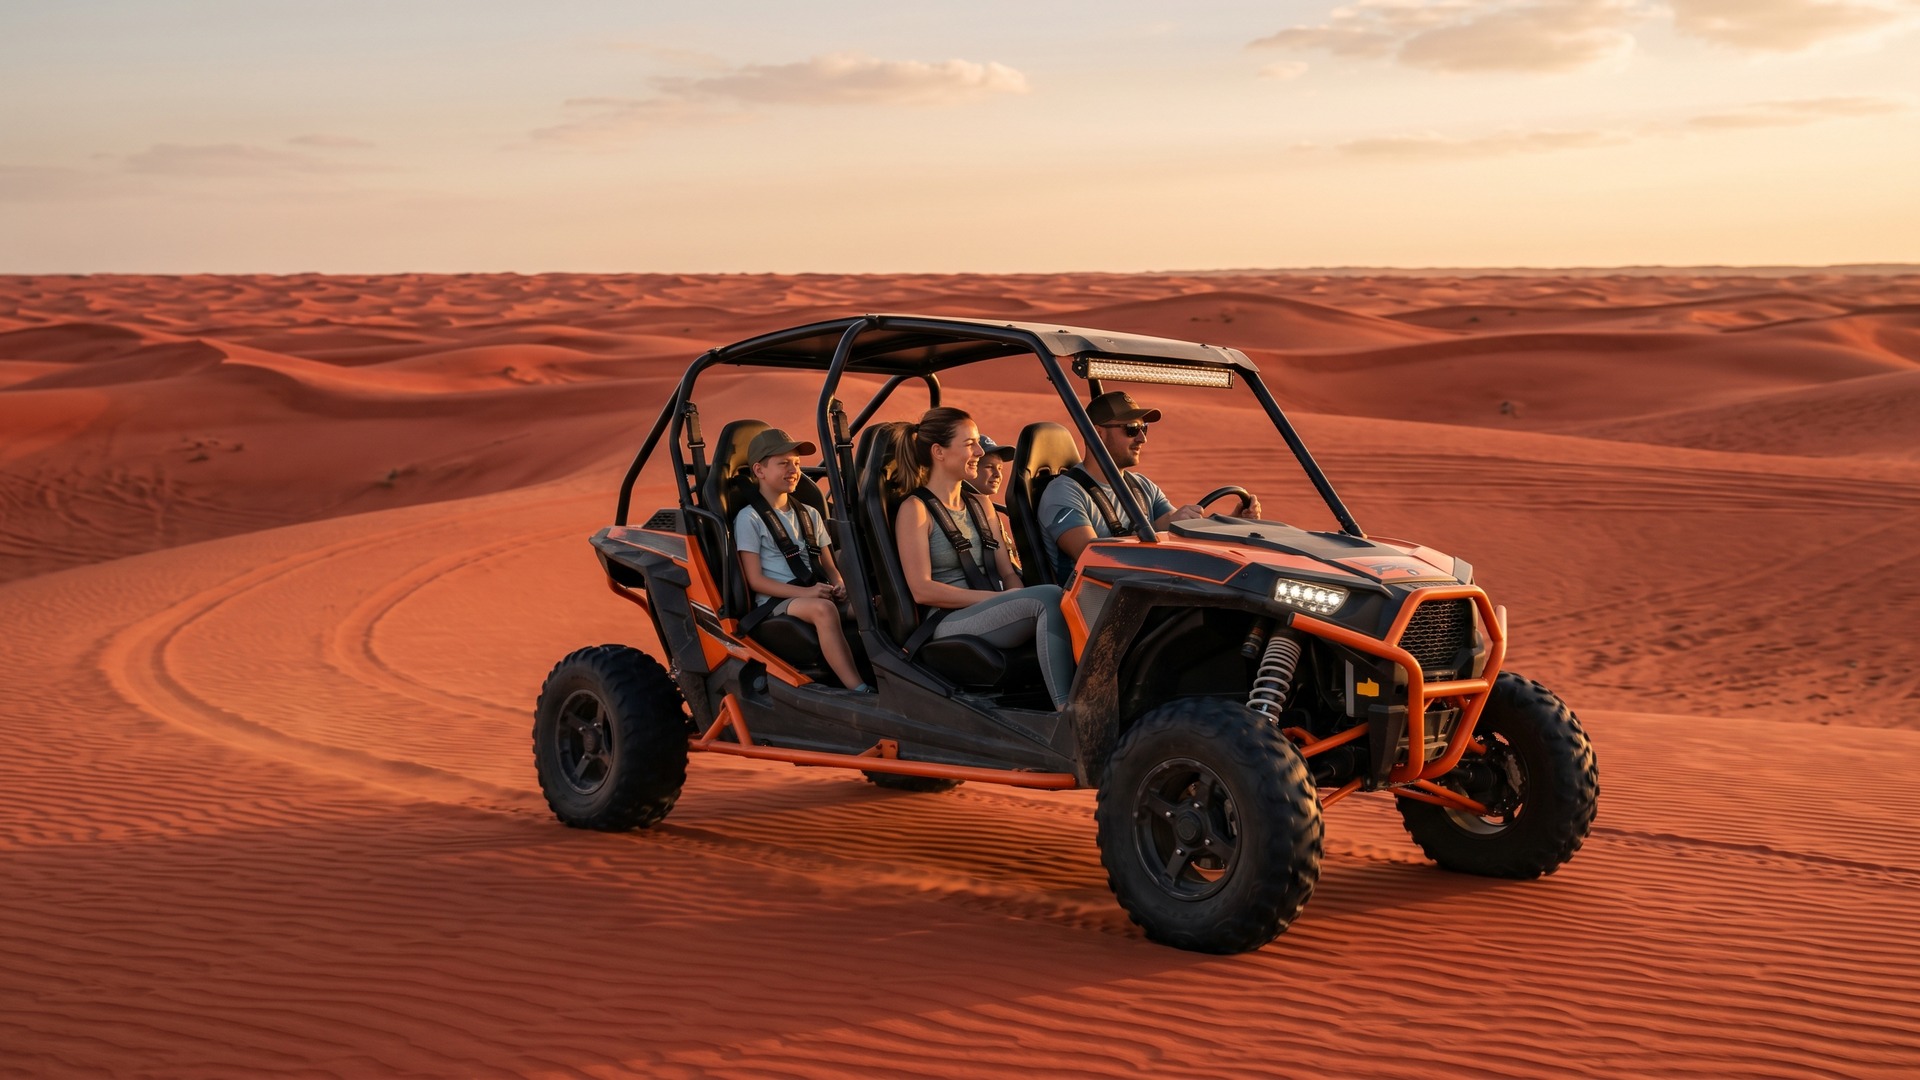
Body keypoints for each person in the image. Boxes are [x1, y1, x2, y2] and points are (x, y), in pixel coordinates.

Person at [889, 408, 1074, 710]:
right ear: (939, 451)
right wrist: (993, 598)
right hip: (947, 620)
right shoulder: (916, 510)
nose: (978, 451)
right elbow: (922, 589)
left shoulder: (981, 504)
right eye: (969, 444)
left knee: (1071, 597)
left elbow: (1006, 571)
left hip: (989, 605)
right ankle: (1067, 711)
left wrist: (1011, 593)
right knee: (1048, 598)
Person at [1038, 390, 1262, 582]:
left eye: (1144, 428)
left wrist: (1233, 523)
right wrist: (1162, 528)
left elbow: (1177, 525)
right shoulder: (1064, 492)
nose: (1142, 439)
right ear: (1098, 433)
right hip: (1091, 608)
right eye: (1132, 429)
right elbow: (1091, 556)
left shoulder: (1142, 486)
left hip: (1146, 594)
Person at [732, 427, 872, 693]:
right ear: (759, 471)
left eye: (796, 463)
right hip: (778, 601)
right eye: (783, 463)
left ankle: (893, 680)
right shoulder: (749, 519)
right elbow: (756, 580)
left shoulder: (810, 514)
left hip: (814, 591)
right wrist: (807, 592)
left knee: (874, 605)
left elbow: (830, 567)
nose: (793, 470)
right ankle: (859, 689)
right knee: (824, 610)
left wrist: (839, 584)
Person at [970, 434, 1020, 576]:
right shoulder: (970, 513)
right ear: (971, 467)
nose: (997, 474)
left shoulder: (990, 509)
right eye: (989, 467)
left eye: (1000, 468)